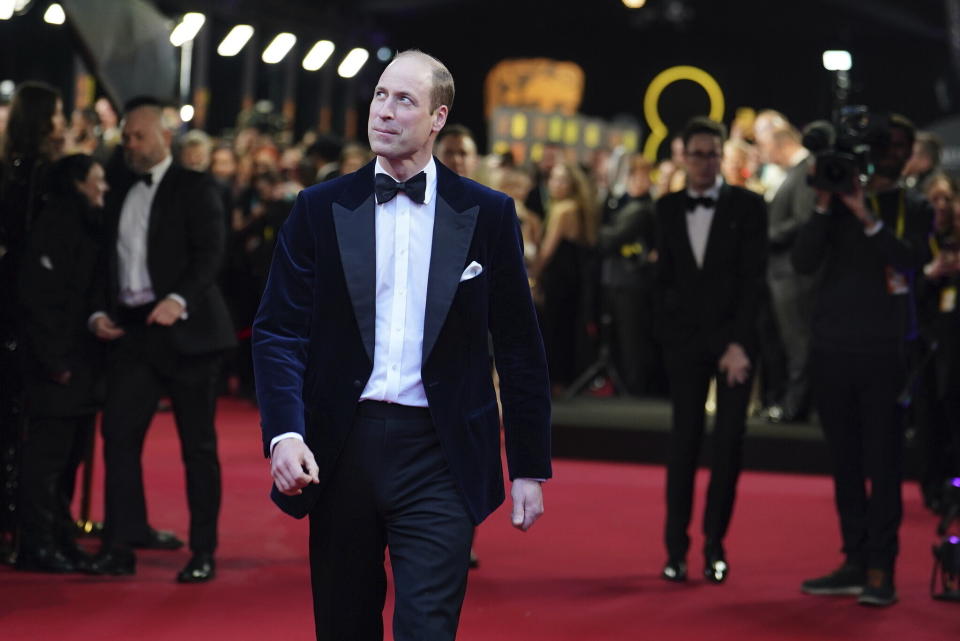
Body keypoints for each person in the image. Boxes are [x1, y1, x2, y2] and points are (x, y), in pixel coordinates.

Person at [253, 50, 551, 641]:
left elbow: (518, 344)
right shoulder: (318, 208)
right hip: (341, 449)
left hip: (441, 453)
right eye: (381, 96)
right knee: (344, 625)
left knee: (428, 628)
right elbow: (278, 329)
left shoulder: (487, 214)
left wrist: (528, 465)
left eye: (405, 101)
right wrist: (284, 433)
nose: (385, 112)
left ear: (438, 117)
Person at [86, 97, 235, 582]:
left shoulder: (195, 186)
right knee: (119, 437)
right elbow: (102, 259)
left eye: (139, 136)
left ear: (165, 136)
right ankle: (120, 545)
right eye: (126, 136)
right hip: (132, 331)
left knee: (198, 447)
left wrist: (177, 298)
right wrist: (98, 312)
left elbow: (212, 253)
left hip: (188, 332)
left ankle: (204, 551)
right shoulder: (117, 185)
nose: (130, 144)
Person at [794, 114, 932, 607]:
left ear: (911, 151)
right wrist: (826, 205)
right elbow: (802, 262)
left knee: (885, 462)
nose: (890, 153)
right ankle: (853, 559)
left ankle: (881, 568)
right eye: (882, 145)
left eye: (899, 145)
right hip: (833, 346)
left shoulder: (913, 205)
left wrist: (867, 216)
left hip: (885, 350)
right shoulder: (836, 201)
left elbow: (911, 260)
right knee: (845, 462)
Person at [655, 117, 768, 584]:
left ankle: (715, 546)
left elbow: (752, 281)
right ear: (682, 157)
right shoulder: (664, 208)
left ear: (723, 157)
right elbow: (667, 286)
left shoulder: (750, 206)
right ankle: (675, 550)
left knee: (729, 446)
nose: (704, 162)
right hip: (687, 345)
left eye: (712, 153)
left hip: (738, 347)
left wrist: (737, 345)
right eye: (696, 153)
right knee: (683, 445)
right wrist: (694, 341)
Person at [16, 154, 106, 572]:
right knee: (47, 459)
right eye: (97, 180)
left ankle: (59, 535)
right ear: (77, 183)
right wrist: (55, 361)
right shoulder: (53, 228)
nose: (103, 187)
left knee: (69, 457)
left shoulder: (83, 226)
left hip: (77, 362)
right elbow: (39, 301)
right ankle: (36, 543)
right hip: (56, 364)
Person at [0, 81, 66, 555]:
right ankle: (30, 527)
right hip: (27, 316)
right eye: (59, 114)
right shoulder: (39, 176)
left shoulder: (15, 170)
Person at [763, 123, 817, 423]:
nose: (763, 152)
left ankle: (796, 407)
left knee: (798, 342)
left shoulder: (804, 171)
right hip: (785, 273)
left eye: (765, 145)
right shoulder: (797, 173)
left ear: (781, 143)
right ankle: (793, 404)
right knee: (792, 341)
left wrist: (766, 233)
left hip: (792, 274)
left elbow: (802, 219)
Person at [530, 161, 597, 397]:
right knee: (566, 331)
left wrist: (532, 277)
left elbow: (547, 252)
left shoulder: (562, 210)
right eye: (553, 178)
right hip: (574, 279)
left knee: (553, 331)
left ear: (572, 184)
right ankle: (562, 383)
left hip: (558, 279)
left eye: (561, 179)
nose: (555, 184)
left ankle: (553, 384)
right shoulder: (581, 208)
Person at [597, 154, 658, 396]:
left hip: (631, 282)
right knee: (619, 337)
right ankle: (623, 384)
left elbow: (608, 240)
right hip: (617, 278)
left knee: (632, 338)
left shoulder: (643, 209)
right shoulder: (622, 203)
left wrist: (601, 233)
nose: (637, 180)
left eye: (643, 175)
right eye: (633, 175)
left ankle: (633, 387)